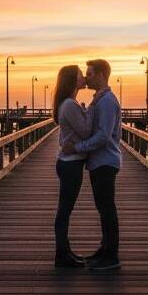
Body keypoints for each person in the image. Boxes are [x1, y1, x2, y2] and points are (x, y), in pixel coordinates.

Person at [63, 59, 122, 271]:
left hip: (105, 161)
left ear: (100, 74)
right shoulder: (100, 99)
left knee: (107, 209)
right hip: (99, 161)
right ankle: (104, 250)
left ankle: (112, 256)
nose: (86, 77)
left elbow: (104, 136)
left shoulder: (106, 102)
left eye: (89, 73)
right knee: (103, 207)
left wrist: (77, 147)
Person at [51, 65, 92, 268]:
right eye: (79, 75)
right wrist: (87, 112)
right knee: (65, 210)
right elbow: (85, 132)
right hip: (71, 164)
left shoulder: (69, 104)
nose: (84, 77)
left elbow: (67, 134)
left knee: (65, 209)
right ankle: (62, 255)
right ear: (72, 80)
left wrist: (83, 111)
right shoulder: (70, 105)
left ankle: (65, 251)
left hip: (68, 162)